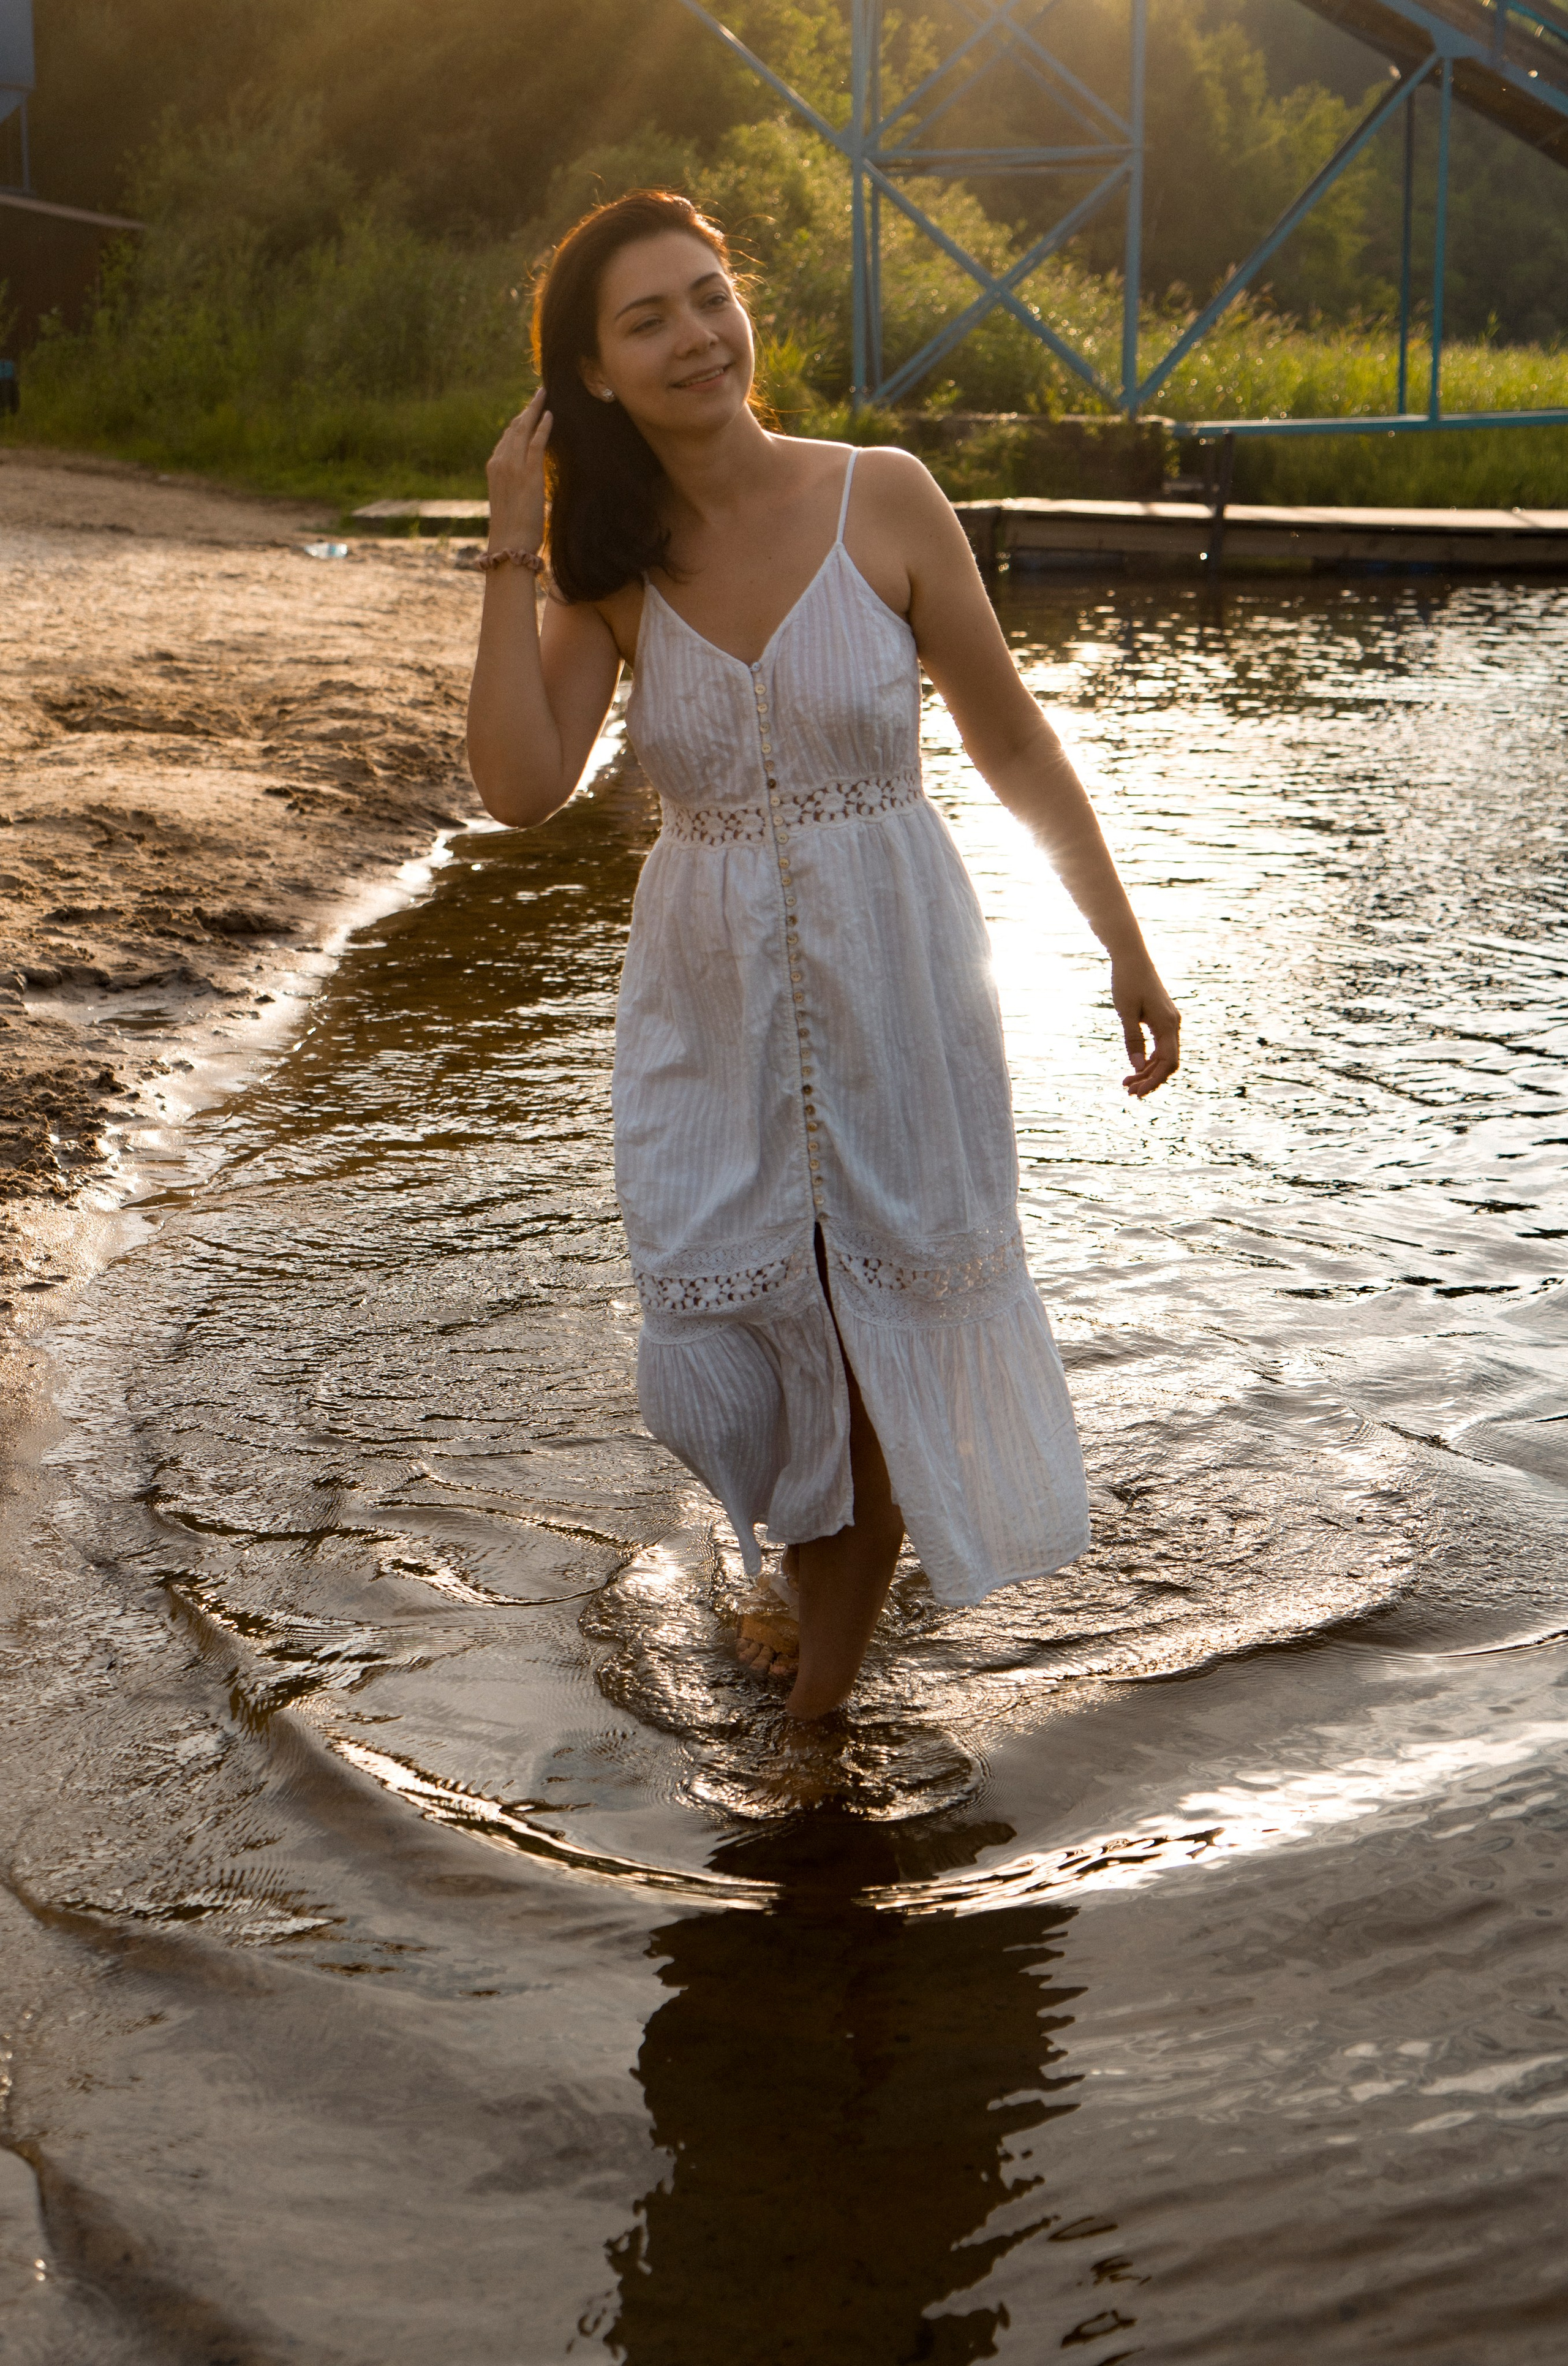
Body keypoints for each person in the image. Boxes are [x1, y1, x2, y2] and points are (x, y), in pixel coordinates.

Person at [466, 191, 1180, 1723]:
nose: (693, 335)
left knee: (873, 1329)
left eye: (708, 296)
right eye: (645, 318)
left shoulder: (885, 497)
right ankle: (804, 1577)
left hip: (896, 988)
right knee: (730, 1336)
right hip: (706, 1010)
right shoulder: (611, 566)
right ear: (590, 372)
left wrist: (1120, 941)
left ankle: (817, 1709)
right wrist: (506, 550)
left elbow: (1008, 739)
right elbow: (521, 786)